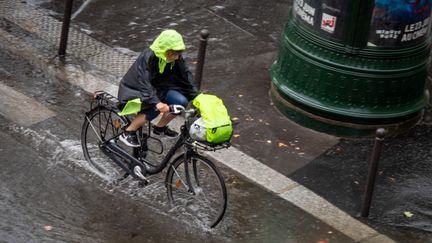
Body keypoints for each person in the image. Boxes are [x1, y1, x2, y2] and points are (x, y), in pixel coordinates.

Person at [117, 29, 197, 147]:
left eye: (178, 54)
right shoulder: (148, 57)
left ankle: (159, 128)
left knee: (181, 102)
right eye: (173, 54)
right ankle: (128, 131)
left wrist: (197, 96)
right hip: (135, 90)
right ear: (165, 50)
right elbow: (144, 83)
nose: (176, 57)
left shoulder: (176, 58)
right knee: (153, 109)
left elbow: (185, 76)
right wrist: (157, 103)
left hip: (159, 89)